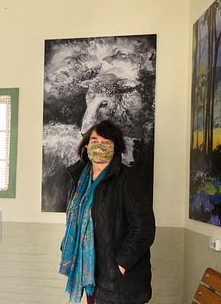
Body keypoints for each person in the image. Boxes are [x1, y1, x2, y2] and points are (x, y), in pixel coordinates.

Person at [59, 120, 155, 303]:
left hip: (119, 281)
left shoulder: (128, 179)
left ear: (115, 148)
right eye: (94, 139)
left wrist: (120, 265)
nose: (99, 145)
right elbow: (74, 219)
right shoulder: (78, 180)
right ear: (86, 145)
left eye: (106, 142)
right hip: (89, 273)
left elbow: (143, 228)